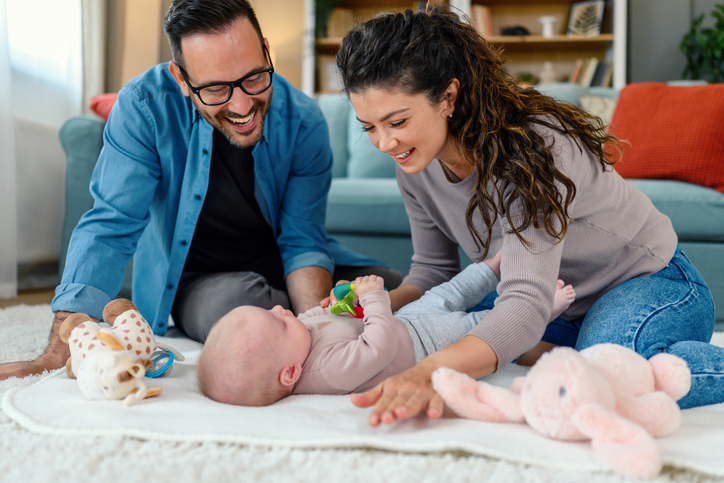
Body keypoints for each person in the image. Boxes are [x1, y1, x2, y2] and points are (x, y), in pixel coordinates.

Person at [333, 5, 722, 427]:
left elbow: (522, 303)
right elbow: (432, 273)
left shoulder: (533, 150)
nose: (385, 142)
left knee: (601, 381)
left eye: (397, 121)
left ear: (448, 96)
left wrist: (428, 373)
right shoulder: (413, 166)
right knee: (448, 329)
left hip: (647, 282)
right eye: (368, 126)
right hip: (555, 300)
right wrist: (375, 310)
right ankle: (587, 345)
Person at [0, 0, 400, 381]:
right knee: (242, 311)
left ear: (265, 50)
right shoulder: (144, 106)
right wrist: (59, 346)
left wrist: (318, 321)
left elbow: (302, 240)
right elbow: (112, 224)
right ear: (181, 78)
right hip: (202, 281)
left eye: (253, 77)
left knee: (397, 290)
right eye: (215, 89)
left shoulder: (304, 120)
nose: (242, 105)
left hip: (283, 264)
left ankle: (302, 315)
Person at [197, 255, 576, 406]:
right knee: (484, 324)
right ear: (291, 373)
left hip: (410, 320)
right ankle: (541, 310)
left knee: (447, 291)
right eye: (278, 321)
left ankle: (492, 266)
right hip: (427, 343)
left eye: (273, 310)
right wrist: (376, 298)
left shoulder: (298, 337)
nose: (281, 309)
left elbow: (326, 317)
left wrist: (337, 304)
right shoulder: (327, 372)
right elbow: (377, 346)